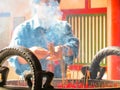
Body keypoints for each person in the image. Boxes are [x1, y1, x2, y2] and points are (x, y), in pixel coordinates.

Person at [8, 0, 79, 78]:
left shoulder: (64, 27)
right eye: (45, 3)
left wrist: (63, 50)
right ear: (36, 4)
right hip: (31, 84)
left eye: (52, 3)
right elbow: (12, 57)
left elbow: (74, 45)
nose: (49, 7)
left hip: (59, 83)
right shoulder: (23, 29)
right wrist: (29, 54)